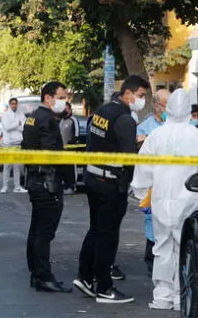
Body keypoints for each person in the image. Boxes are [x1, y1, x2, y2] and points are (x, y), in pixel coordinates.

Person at [131, 88, 198, 310]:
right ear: (189, 111)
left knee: (161, 247)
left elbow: (143, 169)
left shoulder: (156, 136)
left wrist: (143, 196)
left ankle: (162, 296)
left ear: (168, 110)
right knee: (184, 248)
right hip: (189, 202)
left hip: (161, 200)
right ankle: (181, 296)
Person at [72, 75, 150, 304]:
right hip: (111, 184)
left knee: (95, 230)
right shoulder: (125, 119)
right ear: (129, 93)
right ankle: (104, 287)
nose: (142, 100)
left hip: (93, 177)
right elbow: (127, 157)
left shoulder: (102, 111)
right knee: (108, 236)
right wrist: (139, 144)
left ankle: (85, 277)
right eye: (141, 96)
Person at [22, 81, 72, 293]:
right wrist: (68, 179)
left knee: (36, 230)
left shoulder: (33, 117)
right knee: (44, 232)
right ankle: (43, 276)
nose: (64, 101)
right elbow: (55, 155)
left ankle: (36, 273)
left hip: (35, 179)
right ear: (48, 98)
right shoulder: (48, 120)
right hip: (47, 182)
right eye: (61, 97)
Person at [135, 88, 170, 277]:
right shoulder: (145, 128)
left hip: (174, 183)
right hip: (154, 183)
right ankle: (152, 261)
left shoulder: (179, 126)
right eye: (166, 105)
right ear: (157, 106)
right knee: (153, 221)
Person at [0, 97, 27, 194]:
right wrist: (17, 124)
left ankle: (17, 187)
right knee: (7, 165)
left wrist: (16, 126)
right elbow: (7, 127)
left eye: (15, 103)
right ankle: (5, 187)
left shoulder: (21, 114)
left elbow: (24, 127)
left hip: (18, 142)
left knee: (17, 166)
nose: (14, 105)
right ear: (9, 104)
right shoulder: (5, 114)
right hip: (8, 143)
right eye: (12, 103)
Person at [59, 102, 79, 195]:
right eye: (64, 108)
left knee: (71, 169)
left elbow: (76, 135)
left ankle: (72, 186)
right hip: (61, 151)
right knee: (63, 170)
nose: (65, 110)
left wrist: (71, 144)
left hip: (70, 150)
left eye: (67, 108)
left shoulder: (73, 120)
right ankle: (65, 186)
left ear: (70, 109)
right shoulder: (61, 120)